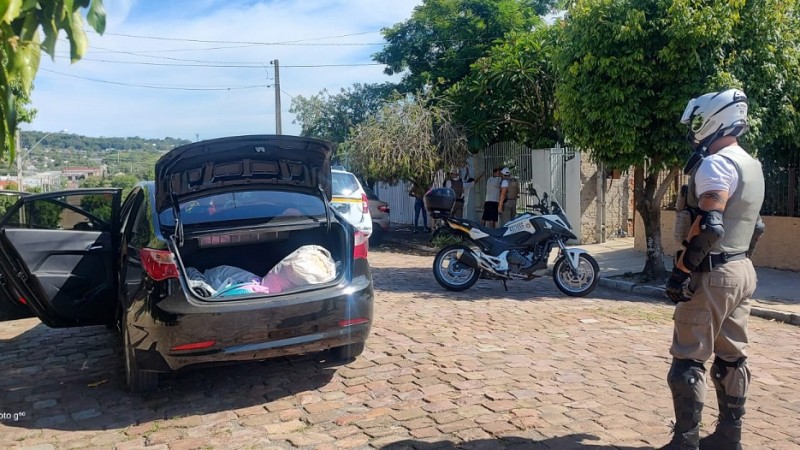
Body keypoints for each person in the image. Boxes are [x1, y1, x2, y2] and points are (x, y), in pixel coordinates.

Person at [660, 88, 765, 450]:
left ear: (714, 119)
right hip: (742, 270)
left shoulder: (716, 164)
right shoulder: (752, 164)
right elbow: (757, 226)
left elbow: (709, 224)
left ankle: (685, 442)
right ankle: (728, 436)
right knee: (732, 357)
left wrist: (682, 269)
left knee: (688, 357)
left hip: (713, 272)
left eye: (698, 122)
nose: (694, 130)